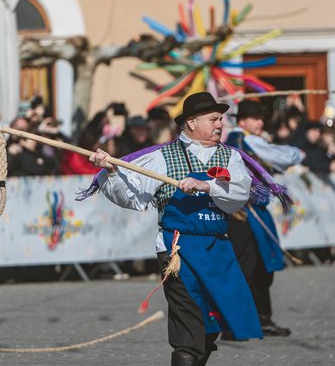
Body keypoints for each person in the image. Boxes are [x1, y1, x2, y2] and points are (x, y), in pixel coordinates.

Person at [82, 92, 287, 365]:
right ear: (191, 122)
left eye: (221, 119)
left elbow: (239, 192)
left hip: (218, 248)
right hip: (177, 250)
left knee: (209, 326)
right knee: (188, 325)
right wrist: (111, 171)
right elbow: (132, 196)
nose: (220, 124)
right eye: (213, 119)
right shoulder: (161, 157)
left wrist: (207, 185)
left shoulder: (230, 157)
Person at [225, 99, 304, 338]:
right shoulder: (245, 139)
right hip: (244, 214)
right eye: (256, 118)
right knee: (246, 269)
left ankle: (261, 319)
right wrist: (297, 151)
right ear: (243, 120)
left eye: (261, 118)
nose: (260, 122)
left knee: (260, 268)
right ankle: (237, 324)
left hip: (254, 212)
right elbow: (291, 156)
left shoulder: (245, 139)